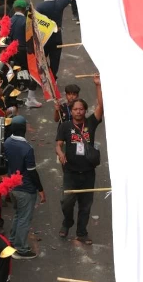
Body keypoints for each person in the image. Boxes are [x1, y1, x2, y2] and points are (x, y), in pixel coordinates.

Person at [56, 76, 104, 244]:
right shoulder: (65, 126)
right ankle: (67, 221)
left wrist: (98, 86)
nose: (78, 112)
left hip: (88, 173)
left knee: (85, 205)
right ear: (73, 110)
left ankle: (81, 233)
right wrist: (60, 153)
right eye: (75, 109)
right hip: (70, 172)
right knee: (66, 201)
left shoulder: (91, 123)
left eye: (81, 109)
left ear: (84, 110)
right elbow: (58, 144)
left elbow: (101, 106)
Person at [4, 116, 45, 259]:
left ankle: (13, 241)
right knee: (24, 219)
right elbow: (32, 172)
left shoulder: (8, 142)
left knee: (18, 215)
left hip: (12, 188)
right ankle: (21, 249)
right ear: (24, 129)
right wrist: (40, 190)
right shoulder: (27, 148)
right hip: (25, 190)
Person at [35, 0, 73, 79]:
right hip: (56, 37)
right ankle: (53, 78)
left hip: (44, 38)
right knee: (55, 60)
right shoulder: (59, 3)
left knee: (41, 59)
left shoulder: (40, 7)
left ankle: (43, 77)